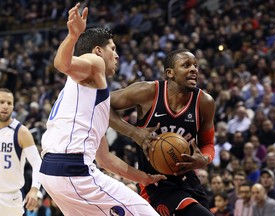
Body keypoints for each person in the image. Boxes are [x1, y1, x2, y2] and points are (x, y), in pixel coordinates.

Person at [39, 3, 165, 216]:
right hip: (73, 170)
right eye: (113, 49)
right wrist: (73, 35)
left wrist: (144, 177)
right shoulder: (95, 63)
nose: (117, 56)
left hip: (52, 172)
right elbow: (62, 64)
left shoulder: (90, 102)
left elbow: (105, 159)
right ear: (98, 50)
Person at [110, 49, 215, 215]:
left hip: (189, 182)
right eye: (186, 65)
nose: (194, 69)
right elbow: (101, 104)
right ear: (170, 73)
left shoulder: (205, 102)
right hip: (155, 184)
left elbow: (208, 143)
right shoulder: (147, 92)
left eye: (195, 65)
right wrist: (133, 132)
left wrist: (204, 160)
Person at [0, 88, 42, 215]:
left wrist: (34, 189)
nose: (5, 106)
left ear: (13, 106)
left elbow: (37, 163)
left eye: (9, 103)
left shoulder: (21, 132)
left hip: (10, 198)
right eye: (1, 102)